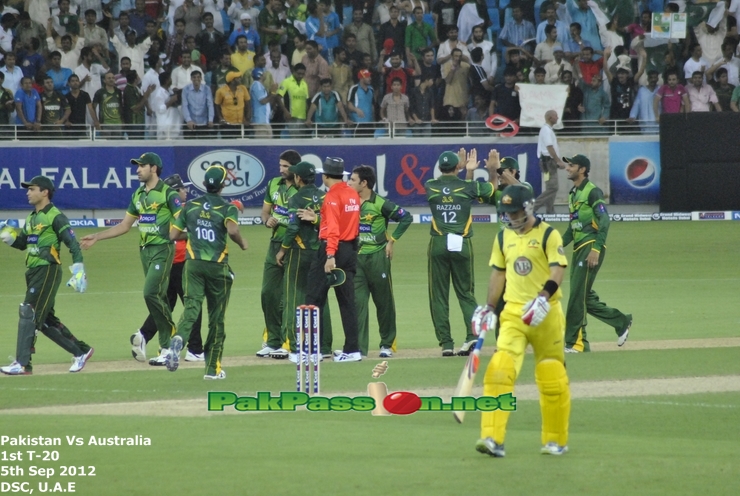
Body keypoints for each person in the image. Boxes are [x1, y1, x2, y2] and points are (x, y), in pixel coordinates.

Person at [472, 184, 570, 458]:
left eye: (515, 212)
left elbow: (558, 268)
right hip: (514, 313)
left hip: (545, 312)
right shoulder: (503, 237)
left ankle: (556, 441)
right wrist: (490, 307)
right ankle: (492, 438)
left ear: (528, 208)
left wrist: (542, 297)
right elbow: (498, 274)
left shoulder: (549, 234)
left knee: (551, 375)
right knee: (499, 370)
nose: (511, 218)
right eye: (507, 213)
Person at [80, 152, 182, 366]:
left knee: (150, 293)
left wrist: (174, 235)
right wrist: (97, 236)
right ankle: (166, 349)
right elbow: (125, 226)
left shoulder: (167, 193)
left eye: (142, 166)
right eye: (137, 166)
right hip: (144, 251)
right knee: (160, 297)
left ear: (154, 168)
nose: (137, 170)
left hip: (162, 249)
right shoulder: (138, 195)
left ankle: (169, 340)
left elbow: (181, 223)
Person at [0, 176, 94, 375]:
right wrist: (9, 237)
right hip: (33, 272)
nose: (27, 192)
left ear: (44, 192)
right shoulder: (32, 218)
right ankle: (82, 351)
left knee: (29, 312)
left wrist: (78, 271)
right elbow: (24, 243)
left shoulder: (55, 216)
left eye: (32, 189)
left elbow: (72, 243)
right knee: (45, 321)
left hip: (47, 270)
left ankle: (22, 363)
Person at [164, 165, 248, 378]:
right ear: (223, 185)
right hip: (217, 266)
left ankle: (180, 338)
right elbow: (232, 230)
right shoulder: (227, 207)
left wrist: (193, 234)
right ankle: (212, 369)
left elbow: (173, 235)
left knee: (191, 307)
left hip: (192, 265)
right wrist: (241, 243)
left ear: (204, 184)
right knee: (216, 318)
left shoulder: (190, 206)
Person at [425, 149, 496, 356]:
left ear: (439, 168)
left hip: (438, 243)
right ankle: (472, 337)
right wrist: (489, 170)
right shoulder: (469, 186)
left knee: (438, 296)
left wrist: (462, 169)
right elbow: (490, 190)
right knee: (466, 294)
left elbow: (454, 190)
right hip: (462, 244)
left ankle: (446, 344)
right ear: (457, 167)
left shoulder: (430, 186)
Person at [561, 154, 631, 353]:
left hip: (590, 247)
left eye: (571, 165)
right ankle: (621, 321)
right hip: (578, 249)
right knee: (583, 296)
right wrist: (555, 246)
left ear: (582, 169)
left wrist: (596, 249)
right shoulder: (573, 194)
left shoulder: (593, 192)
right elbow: (572, 228)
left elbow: (605, 221)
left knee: (576, 296)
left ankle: (576, 344)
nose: (567, 168)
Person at [131, 174, 205, 363]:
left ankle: (143, 335)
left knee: (166, 303)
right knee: (191, 304)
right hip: (178, 261)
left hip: (165, 262)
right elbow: (173, 234)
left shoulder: (169, 205)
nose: (185, 191)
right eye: (181, 189)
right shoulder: (172, 208)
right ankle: (194, 349)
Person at [348, 165, 411, 357]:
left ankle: (387, 344)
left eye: (352, 180)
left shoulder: (380, 203)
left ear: (364, 183)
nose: (349, 183)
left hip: (378, 258)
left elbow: (406, 218)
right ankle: (359, 348)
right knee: (357, 304)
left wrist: (392, 241)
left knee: (383, 303)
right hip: (356, 259)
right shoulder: (349, 203)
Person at [274, 161, 333, 360]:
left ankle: (292, 344)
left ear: (298, 178)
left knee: (293, 297)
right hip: (323, 252)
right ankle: (324, 347)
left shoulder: (296, 198)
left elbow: (292, 228)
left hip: (300, 252)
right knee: (320, 299)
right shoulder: (326, 197)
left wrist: (282, 250)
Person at [306, 157, 362, 362]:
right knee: (347, 301)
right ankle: (352, 350)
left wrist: (330, 255)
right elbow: (354, 224)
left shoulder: (331, 196)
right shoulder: (352, 194)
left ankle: (313, 351)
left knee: (313, 299)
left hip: (332, 250)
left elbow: (333, 229)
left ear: (325, 176)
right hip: (349, 249)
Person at [257, 150, 300, 357]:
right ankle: (272, 341)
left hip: (294, 247)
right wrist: (267, 220)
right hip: (274, 244)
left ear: (295, 168)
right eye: (280, 165)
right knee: (268, 294)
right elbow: (265, 211)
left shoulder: (302, 188)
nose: (281, 170)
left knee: (288, 298)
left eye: (285, 166)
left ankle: (287, 341)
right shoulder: (274, 184)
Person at [533, 110, 567, 214]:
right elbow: (549, 147)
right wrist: (558, 161)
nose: (557, 117)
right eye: (556, 116)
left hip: (546, 162)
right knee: (553, 187)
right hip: (549, 162)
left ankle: (550, 210)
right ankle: (533, 207)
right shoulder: (546, 131)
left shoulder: (546, 130)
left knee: (550, 187)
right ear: (550, 117)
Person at [182, 69, 215, 138]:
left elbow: (210, 105)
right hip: (190, 122)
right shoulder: (186, 89)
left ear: (201, 78)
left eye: (198, 77)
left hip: (204, 122)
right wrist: (188, 120)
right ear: (191, 78)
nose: (196, 79)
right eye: (194, 77)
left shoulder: (207, 89)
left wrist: (210, 120)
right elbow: (185, 105)